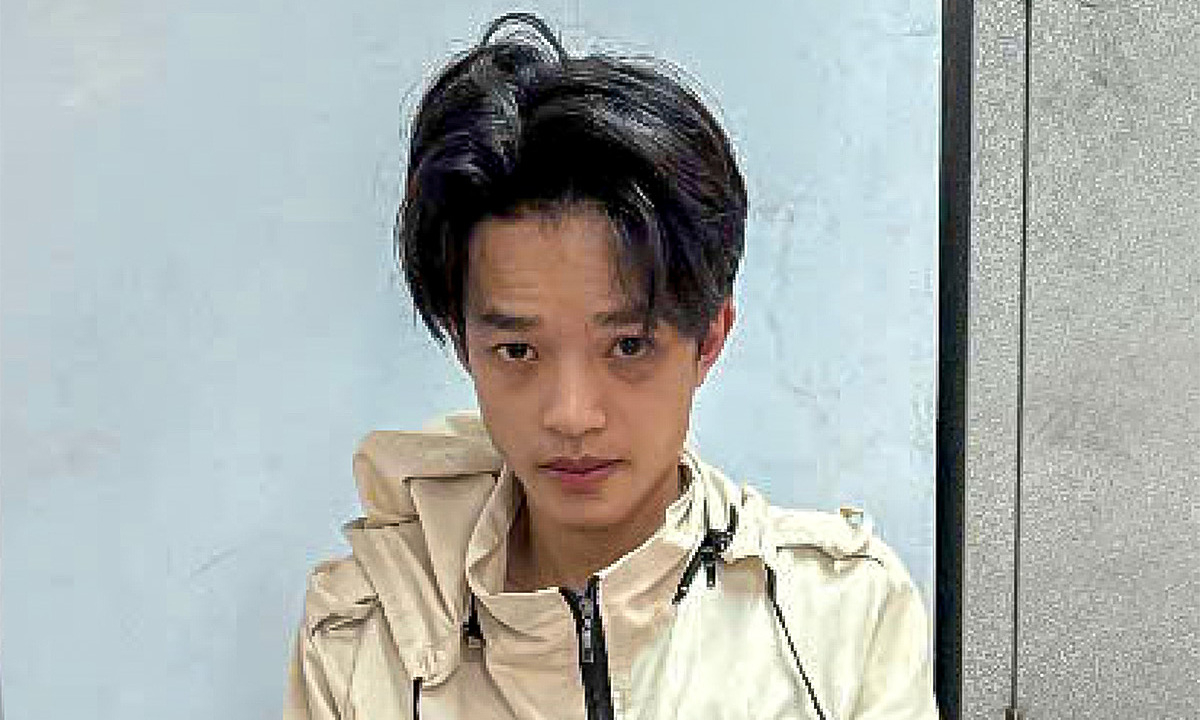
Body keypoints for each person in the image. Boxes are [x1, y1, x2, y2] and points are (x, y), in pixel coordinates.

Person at [284, 12, 939, 720]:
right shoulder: (367, 639)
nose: (571, 415)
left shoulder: (839, 617)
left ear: (709, 338)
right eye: (518, 351)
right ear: (462, 341)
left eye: (628, 346)